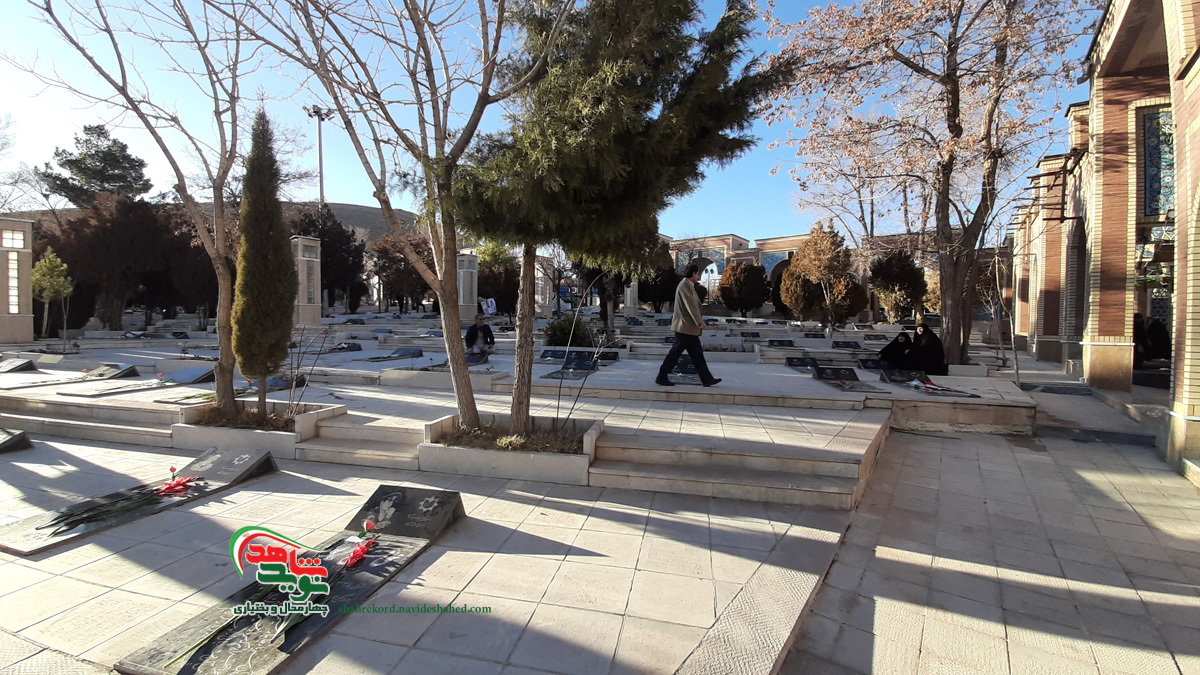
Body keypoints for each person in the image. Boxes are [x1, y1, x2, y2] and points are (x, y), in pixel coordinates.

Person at [656, 264, 721, 387]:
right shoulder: (685, 285)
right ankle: (661, 376)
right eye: (697, 273)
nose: (698, 276)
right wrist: (700, 321)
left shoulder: (688, 285)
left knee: (697, 355)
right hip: (684, 327)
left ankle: (707, 379)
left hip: (688, 328)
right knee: (675, 354)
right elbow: (690, 305)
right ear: (693, 273)